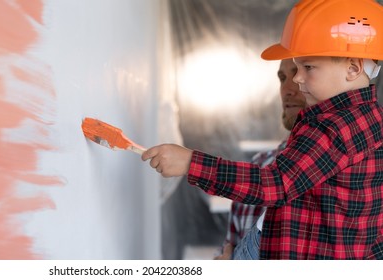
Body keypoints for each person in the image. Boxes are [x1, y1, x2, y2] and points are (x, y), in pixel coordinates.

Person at [142, 0, 383, 259]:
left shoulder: (333, 126)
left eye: (308, 67)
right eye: (292, 71)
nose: (297, 79)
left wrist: (192, 162)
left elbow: (275, 184)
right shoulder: (367, 121)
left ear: (353, 68)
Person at [215, 59, 306, 260]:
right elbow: (230, 249)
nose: (287, 89)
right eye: (282, 78)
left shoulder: (361, 170)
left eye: (300, 74)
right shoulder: (257, 164)